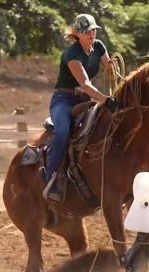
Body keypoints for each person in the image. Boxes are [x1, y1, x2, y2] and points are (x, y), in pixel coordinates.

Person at [43, 13, 118, 202]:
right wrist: (105, 100)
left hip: (85, 99)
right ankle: (50, 179)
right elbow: (85, 83)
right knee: (62, 131)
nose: (91, 34)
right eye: (86, 31)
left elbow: (110, 69)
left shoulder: (99, 47)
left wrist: (113, 68)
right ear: (77, 34)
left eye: (93, 30)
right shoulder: (71, 54)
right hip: (64, 99)